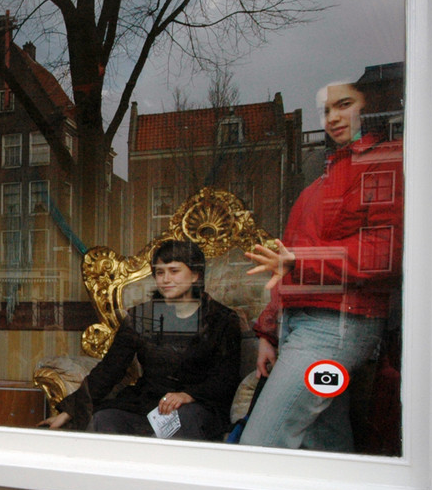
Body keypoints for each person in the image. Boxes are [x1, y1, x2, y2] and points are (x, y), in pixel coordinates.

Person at [240, 77, 404, 452]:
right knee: (323, 441)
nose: (333, 117)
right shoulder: (317, 185)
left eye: (344, 104)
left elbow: (383, 254)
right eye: (326, 110)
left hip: (337, 329)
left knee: (261, 444)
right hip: (303, 326)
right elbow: (287, 263)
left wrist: (301, 259)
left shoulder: (382, 163)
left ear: (369, 108)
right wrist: (269, 331)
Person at [40, 240, 240, 440]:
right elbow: (110, 369)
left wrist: (188, 395)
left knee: (182, 420)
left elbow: (226, 377)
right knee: (105, 418)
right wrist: (69, 411)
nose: (165, 279)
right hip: (147, 405)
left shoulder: (221, 319)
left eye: (174, 271)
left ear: (195, 275)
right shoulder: (142, 316)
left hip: (197, 407)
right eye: (160, 273)